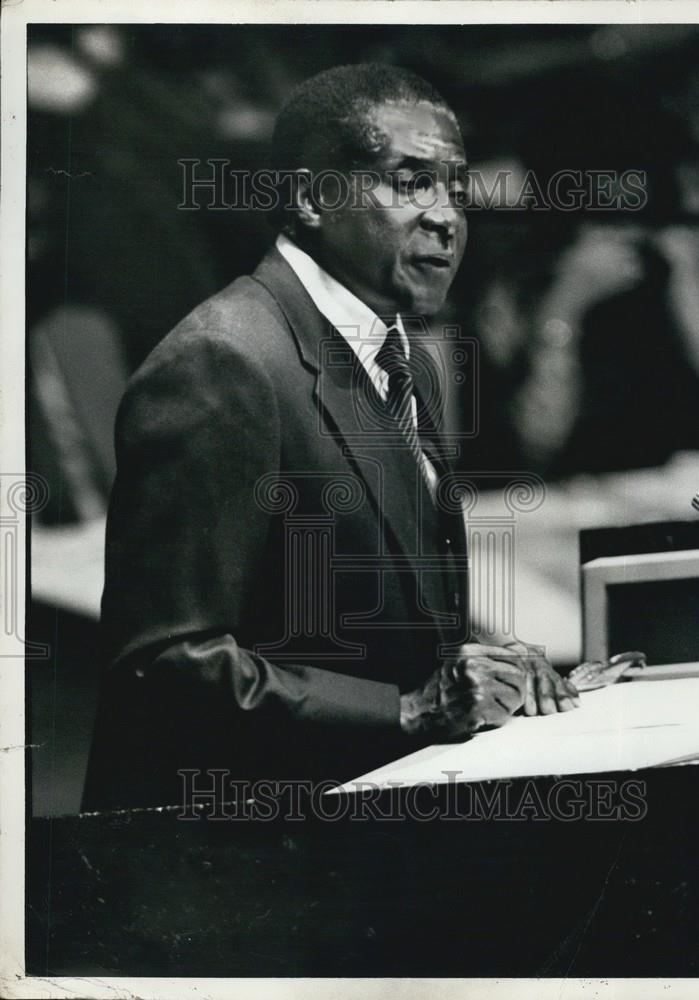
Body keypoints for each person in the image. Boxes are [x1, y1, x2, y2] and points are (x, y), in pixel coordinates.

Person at [83, 63, 579, 811]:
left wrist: (486, 674)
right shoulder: (222, 361)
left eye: (455, 187)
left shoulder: (401, 352)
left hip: (370, 819)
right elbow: (163, 661)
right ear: (314, 197)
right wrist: (409, 710)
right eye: (411, 182)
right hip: (231, 859)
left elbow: (391, 619)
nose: (446, 216)